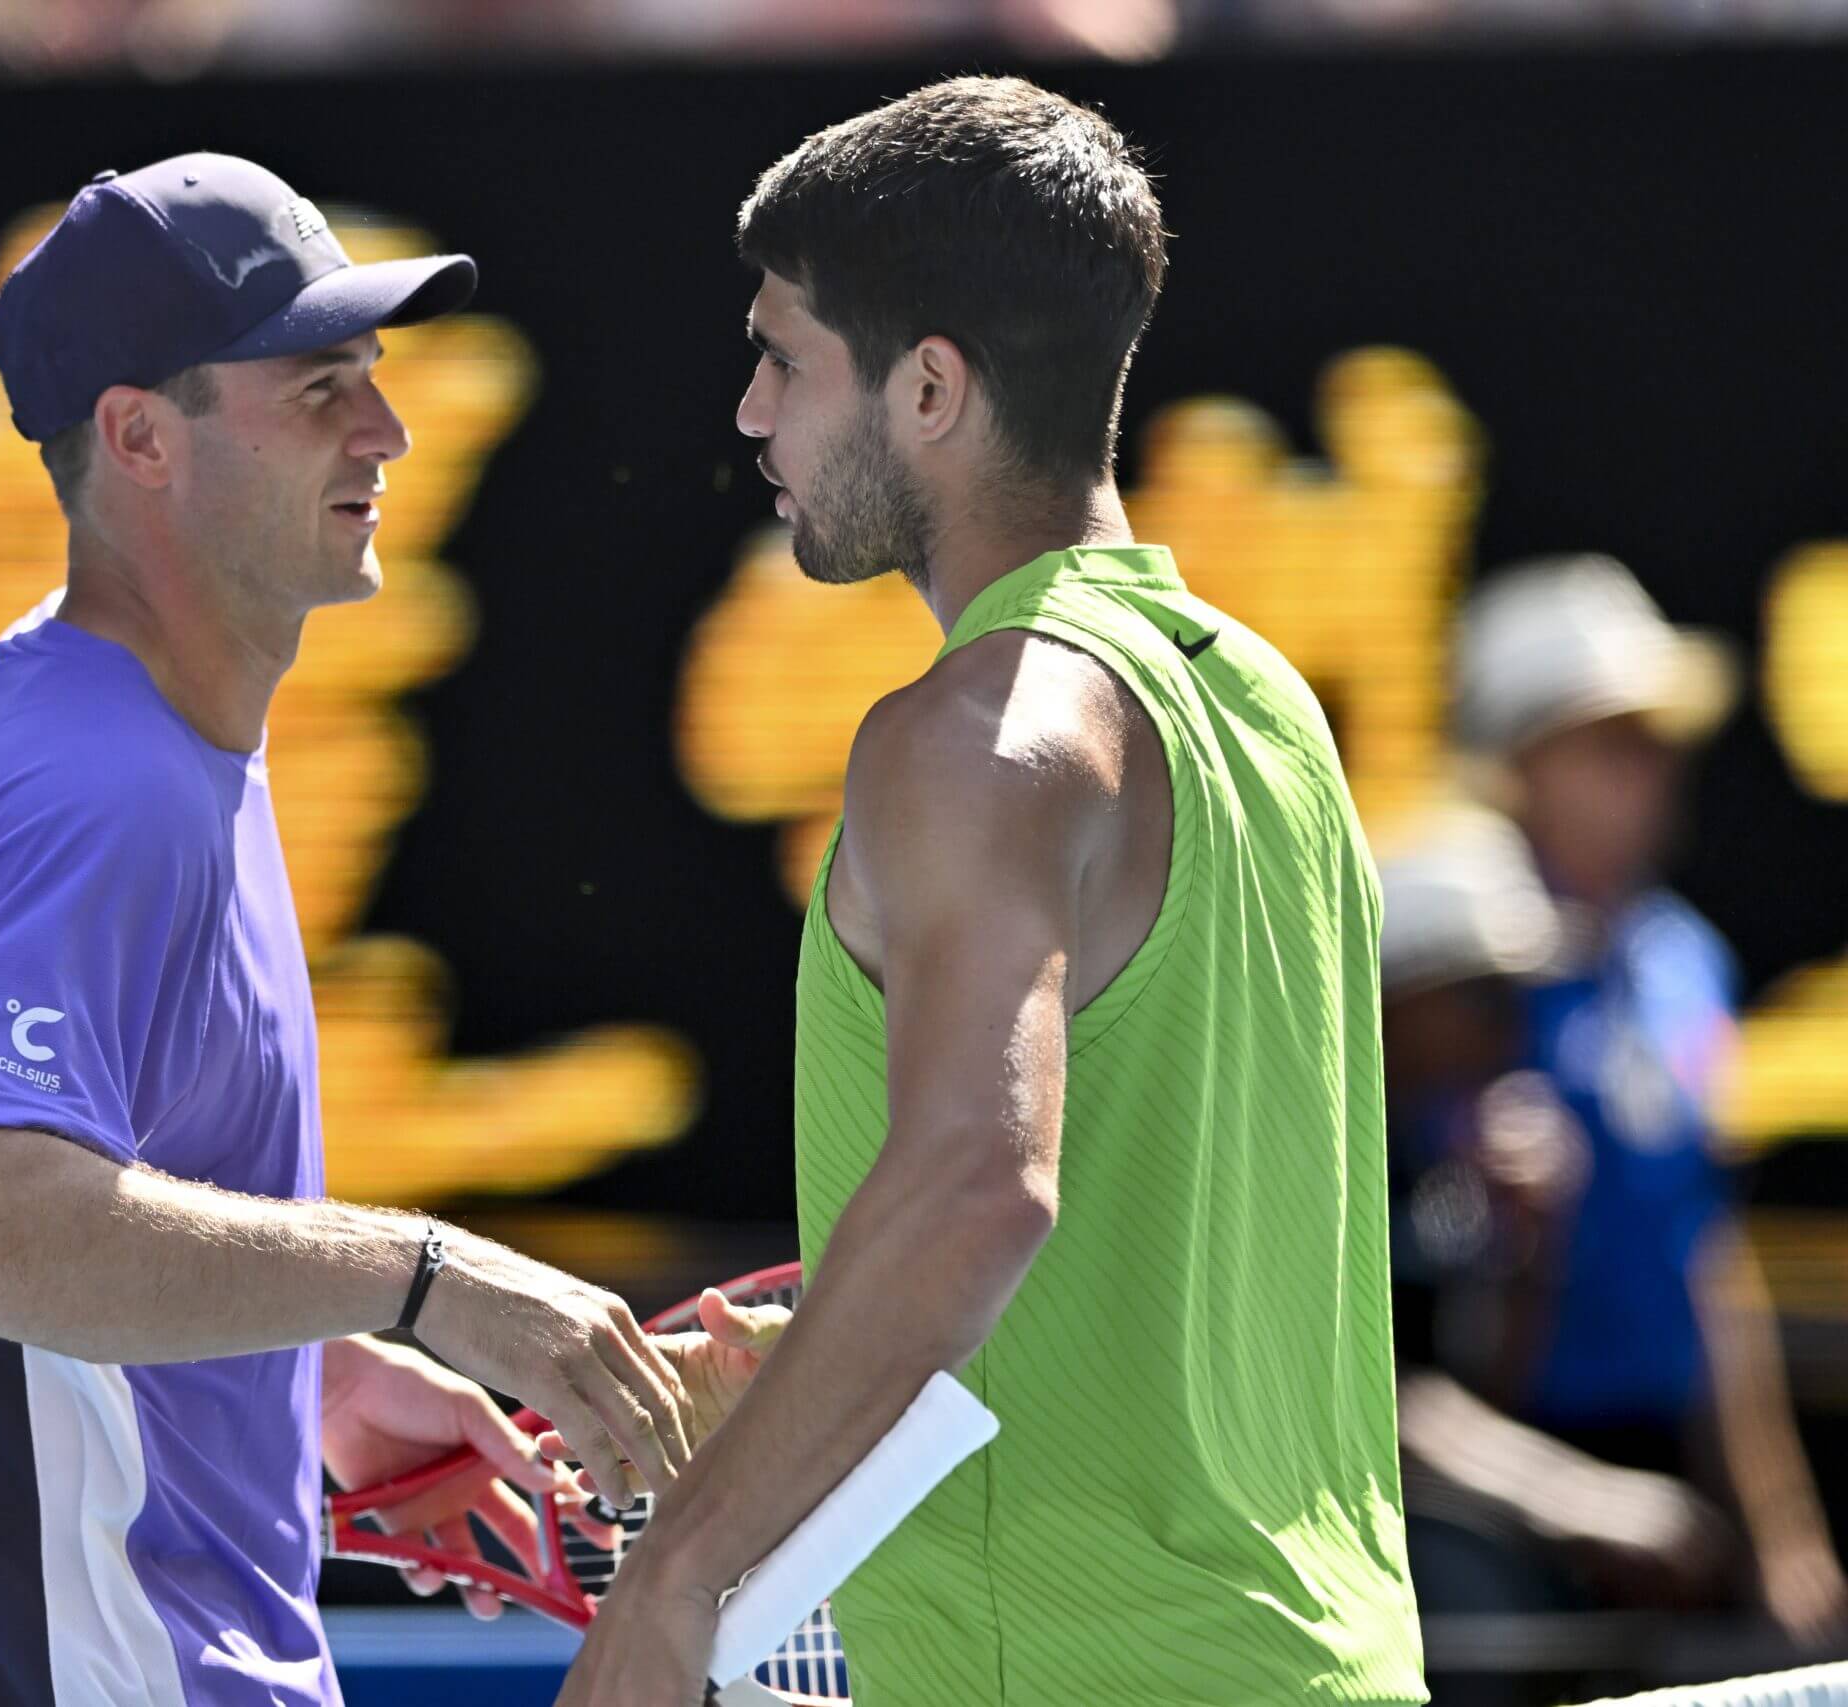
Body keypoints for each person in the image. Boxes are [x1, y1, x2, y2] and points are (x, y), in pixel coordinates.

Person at [0, 154, 699, 1707]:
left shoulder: (108, 727)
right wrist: (422, 1272)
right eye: (317, 387)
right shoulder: (103, 781)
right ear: (140, 435)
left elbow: (52, 1254)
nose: (388, 432)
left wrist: (302, 1376)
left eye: (375, 379)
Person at [558, 75, 1425, 1706]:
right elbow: (1125, 1225)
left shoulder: (977, 736)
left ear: (932, 389)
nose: (752, 413)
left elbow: (980, 1187)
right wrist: (817, 1356)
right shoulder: (1265, 709)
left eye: (786, 361)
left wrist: (678, 1581)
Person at [1452, 554, 1848, 1653]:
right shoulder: (1433, 981)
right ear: (1515, 763)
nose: (1654, 769)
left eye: (1659, 738)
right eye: (1610, 741)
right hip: (1475, 1504)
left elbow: (1704, 1254)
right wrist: (1549, 1492)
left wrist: (1781, 1532)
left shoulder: (1685, 960)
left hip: (1664, 1500)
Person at [1375, 808, 1734, 1706]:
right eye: (1481, 993)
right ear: (1395, 992)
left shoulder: (1430, 1155)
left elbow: (1477, 1390)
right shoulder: (1314, 1142)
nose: (1509, 1028)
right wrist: (1583, 1497)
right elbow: (1367, 1395)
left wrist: (1533, 1247)